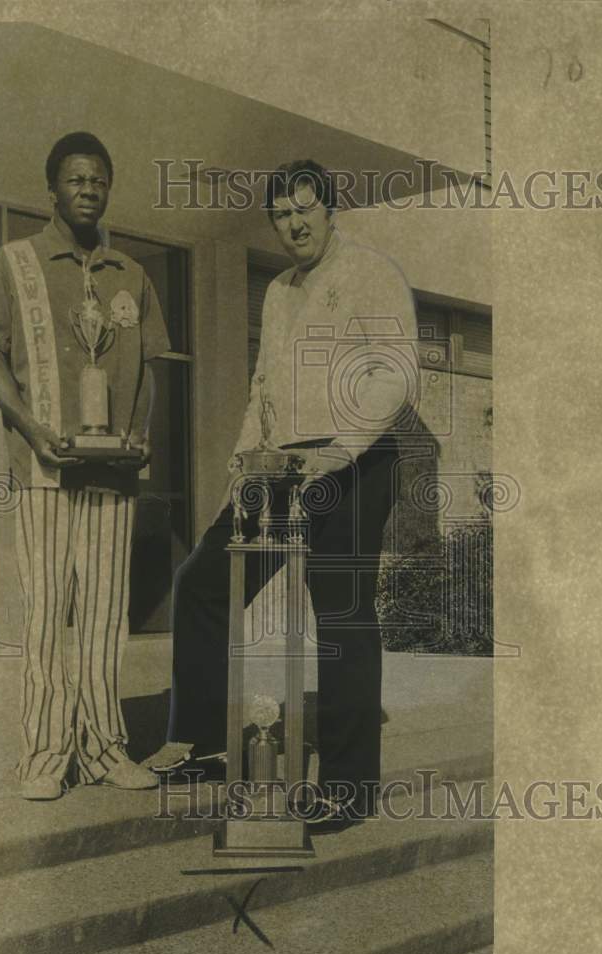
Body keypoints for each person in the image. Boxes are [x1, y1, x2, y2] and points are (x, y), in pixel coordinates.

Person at [144, 160, 419, 828]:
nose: (294, 223)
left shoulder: (370, 272)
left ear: (330, 210)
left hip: (354, 462)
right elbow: (264, 389)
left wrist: (341, 450)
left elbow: (396, 373)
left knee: (342, 615)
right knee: (205, 583)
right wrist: (244, 464)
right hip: (281, 466)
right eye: (282, 214)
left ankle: (350, 789)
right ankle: (207, 736)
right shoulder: (277, 291)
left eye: (305, 208)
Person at [0, 132, 170, 800]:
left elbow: (150, 373)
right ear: (53, 188)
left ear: (109, 188)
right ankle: (46, 753)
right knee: (49, 611)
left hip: (112, 474)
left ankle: (105, 746)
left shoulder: (129, 274)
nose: (88, 189)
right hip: (45, 470)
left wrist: (139, 433)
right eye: (76, 179)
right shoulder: (15, 262)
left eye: (99, 179)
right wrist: (29, 427)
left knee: (108, 614)